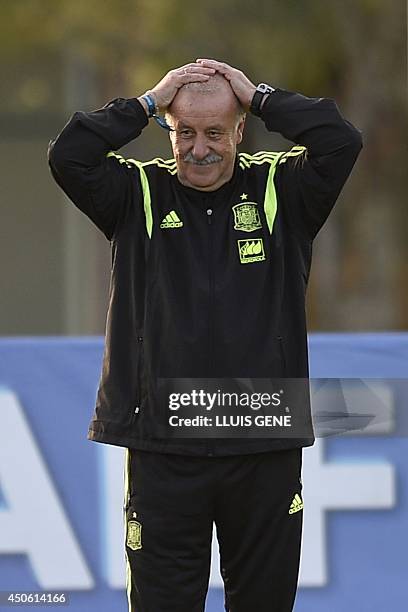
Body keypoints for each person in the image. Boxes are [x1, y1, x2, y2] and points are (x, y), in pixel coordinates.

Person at [48, 58, 362, 612]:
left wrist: (259, 96)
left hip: (264, 440)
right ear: (169, 130)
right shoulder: (135, 191)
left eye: (215, 132)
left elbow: (339, 140)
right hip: (165, 451)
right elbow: (69, 155)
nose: (199, 149)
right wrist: (147, 102)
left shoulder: (281, 189)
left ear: (240, 130)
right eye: (184, 132)